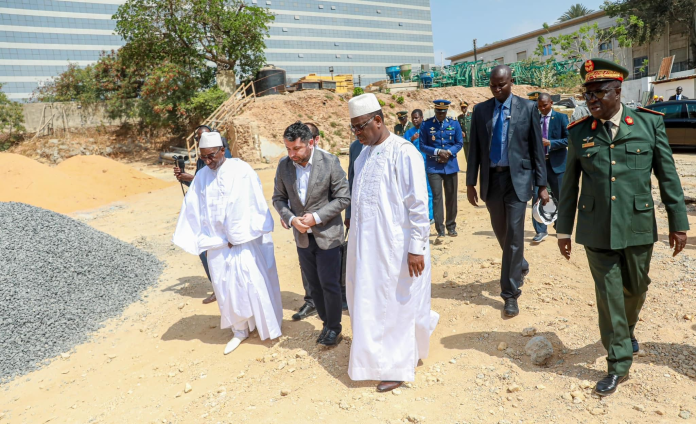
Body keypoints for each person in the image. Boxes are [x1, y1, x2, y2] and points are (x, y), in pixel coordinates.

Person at [556, 58, 689, 396]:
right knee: (610, 295)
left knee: (637, 288)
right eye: (587, 95)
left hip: (638, 223)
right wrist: (562, 229)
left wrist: (678, 222)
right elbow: (568, 185)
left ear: (618, 91)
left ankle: (626, 330)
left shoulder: (648, 124)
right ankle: (618, 362)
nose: (591, 100)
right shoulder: (579, 133)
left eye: (598, 93)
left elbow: (668, 176)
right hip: (595, 227)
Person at [345, 93, 439, 393]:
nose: (357, 134)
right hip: (367, 248)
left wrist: (416, 247)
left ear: (378, 120)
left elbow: (418, 204)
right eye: (353, 129)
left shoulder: (403, 151)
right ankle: (373, 358)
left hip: (397, 247)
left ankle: (398, 366)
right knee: (371, 302)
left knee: (397, 303)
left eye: (361, 127)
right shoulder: (363, 155)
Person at [172, 132, 283, 355]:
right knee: (225, 290)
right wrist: (204, 237)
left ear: (222, 150)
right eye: (203, 157)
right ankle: (239, 330)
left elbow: (249, 201)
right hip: (216, 245)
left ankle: (266, 326)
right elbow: (194, 208)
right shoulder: (202, 176)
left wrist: (236, 235)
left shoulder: (240, 169)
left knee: (251, 284)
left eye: (211, 155)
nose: (208, 161)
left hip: (241, 242)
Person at [466, 65, 548, 318]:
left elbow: (536, 149)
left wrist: (542, 185)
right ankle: (519, 263)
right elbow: (475, 150)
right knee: (502, 233)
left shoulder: (527, 108)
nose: (497, 89)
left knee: (513, 235)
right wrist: (470, 182)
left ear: (511, 82)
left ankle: (510, 294)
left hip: (518, 181)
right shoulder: (481, 111)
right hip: (492, 181)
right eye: (492, 85)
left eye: (501, 84)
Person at [272, 122, 350, 347]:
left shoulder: (330, 162)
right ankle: (326, 322)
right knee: (313, 285)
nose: (292, 154)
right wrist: (291, 219)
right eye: (288, 149)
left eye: (296, 149)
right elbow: (278, 198)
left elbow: (343, 198)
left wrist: (315, 218)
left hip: (328, 235)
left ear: (310, 143)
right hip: (303, 236)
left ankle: (334, 327)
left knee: (330, 284)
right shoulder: (284, 166)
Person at [173, 125, 233, 305]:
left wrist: (191, 178)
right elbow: (201, 187)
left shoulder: (223, 156)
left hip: (222, 221)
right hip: (206, 216)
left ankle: (225, 289)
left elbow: (218, 184)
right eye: (199, 138)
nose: (207, 160)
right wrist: (186, 178)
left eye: (204, 137)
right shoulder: (204, 157)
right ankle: (217, 287)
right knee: (203, 251)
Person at [419, 100, 464, 238]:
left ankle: (451, 226)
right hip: (434, 166)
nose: (441, 115)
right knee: (437, 197)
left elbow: (459, 143)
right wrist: (438, 151)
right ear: (435, 111)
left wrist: (448, 152)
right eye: (438, 112)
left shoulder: (454, 123)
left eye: (443, 112)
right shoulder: (426, 125)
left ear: (446, 112)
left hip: (450, 165)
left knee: (451, 197)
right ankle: (440, 229)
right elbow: (422, 145)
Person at [531, 93, 569, 244]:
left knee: (559, 197)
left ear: (551, 103)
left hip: (557, 165)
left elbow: (569, 139)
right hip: (539, 165)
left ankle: (560, 227)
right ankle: (540, 230)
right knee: (537, 196)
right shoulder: (534, 119)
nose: (542, 108)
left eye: (545, 105)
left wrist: (551, 143)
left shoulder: (561, 118)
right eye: (539, 106)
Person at [404, 109, 434, 222]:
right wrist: (411, 139)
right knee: (415, 191)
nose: (415, 120)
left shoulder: (427, 130)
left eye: (417, 117)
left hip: (427, 164)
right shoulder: (409, 132)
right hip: (413, 166)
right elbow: (403, 146)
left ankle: (430, 215)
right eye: (413, 118)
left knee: (429, 189)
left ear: (422, 118)